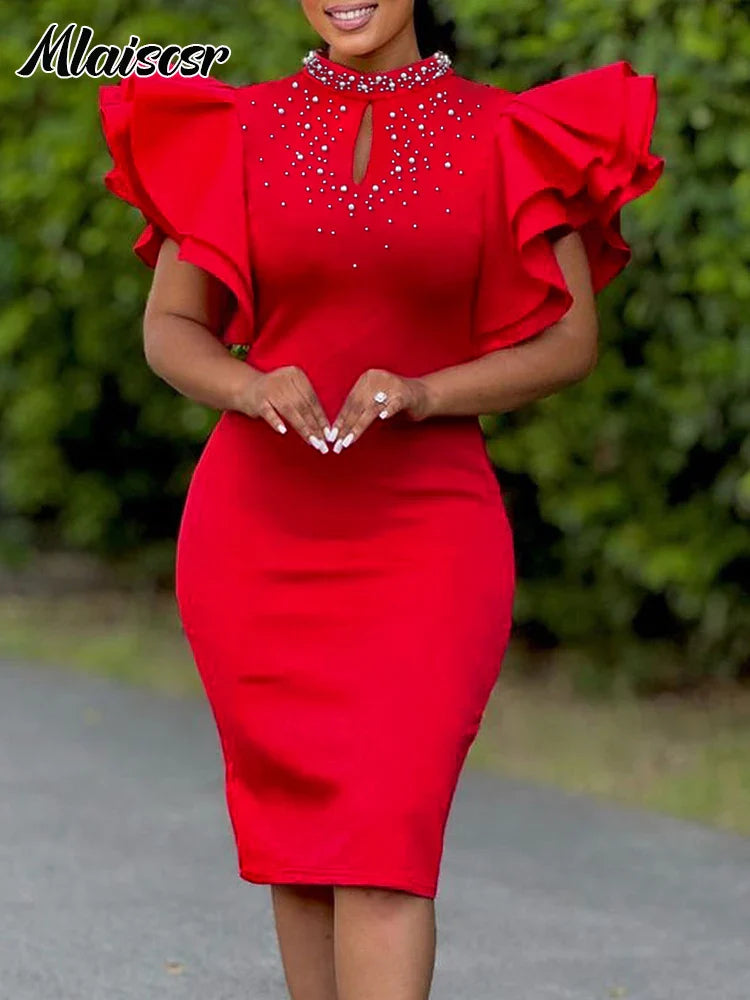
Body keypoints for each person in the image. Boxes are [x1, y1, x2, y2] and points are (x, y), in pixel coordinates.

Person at [98, 1, 664, 996]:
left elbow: (569, 341)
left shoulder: (504, 132)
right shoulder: (237, 129)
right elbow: (173, 328)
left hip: (428, 534)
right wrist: (250, 383)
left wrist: (427, 390)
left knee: (385, 842)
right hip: (256, 531)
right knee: (301, 846)